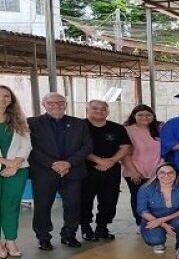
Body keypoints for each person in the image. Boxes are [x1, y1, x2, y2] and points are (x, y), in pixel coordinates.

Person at [27, 92, 93, 250]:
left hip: (73, 171)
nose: (56, 106)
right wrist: (53, 164)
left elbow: (87, 146)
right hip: (44, 172)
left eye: (60, 102)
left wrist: (68, 163)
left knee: (73, 205)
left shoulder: (79, 123)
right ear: (44, 104)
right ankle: (43, 238)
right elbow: (30, 148)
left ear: (65, 105)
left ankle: (69, 235)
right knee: (43, 206)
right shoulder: (31, 123)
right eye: (51, 103)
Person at [80, 100, 131, 241]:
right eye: (95, 108)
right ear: (87, 110)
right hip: (85, 170)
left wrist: (111, 161)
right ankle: (85, 228)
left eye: (103, 109)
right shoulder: (79, 126)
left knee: (109, 201)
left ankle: (102, 227)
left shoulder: (117, 128)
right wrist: (98, 160)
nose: (99, 111)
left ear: (108, 112)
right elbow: (77, 147)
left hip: (111, 170)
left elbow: (125, 147)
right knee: (84, 200)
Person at [0, 85, 32, 258]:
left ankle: (10, 240)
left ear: (11, 99)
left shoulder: (19, 119)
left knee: (11, 206)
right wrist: (6, 163)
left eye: (6, 96)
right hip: (8, 165)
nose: (3, 99)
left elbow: (26, 144)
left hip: (18, 169)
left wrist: (15, 164)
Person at [136, 162, 179, 259]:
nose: (166, 175)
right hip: (152, 218)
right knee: (154, 239)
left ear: (176, 174)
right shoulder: (145, 189)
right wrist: (163, 224)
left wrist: (162, 220)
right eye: (162, 173)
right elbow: (142, 211)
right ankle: (159, 241)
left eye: (171, 173)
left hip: (176, 217)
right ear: (157, 175)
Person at [122, 104, 162, 226]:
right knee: (138, 198)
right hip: (135, 172)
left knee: (155, 199)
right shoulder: (127, 130)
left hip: (156, 171)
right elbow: (124, 153)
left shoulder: (159, 128)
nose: (144, 117)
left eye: (148, 115)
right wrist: (133, 171)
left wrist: (161, 168)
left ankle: (155, 222)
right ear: (134, 116)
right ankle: (140, 223)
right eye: (140, 115)